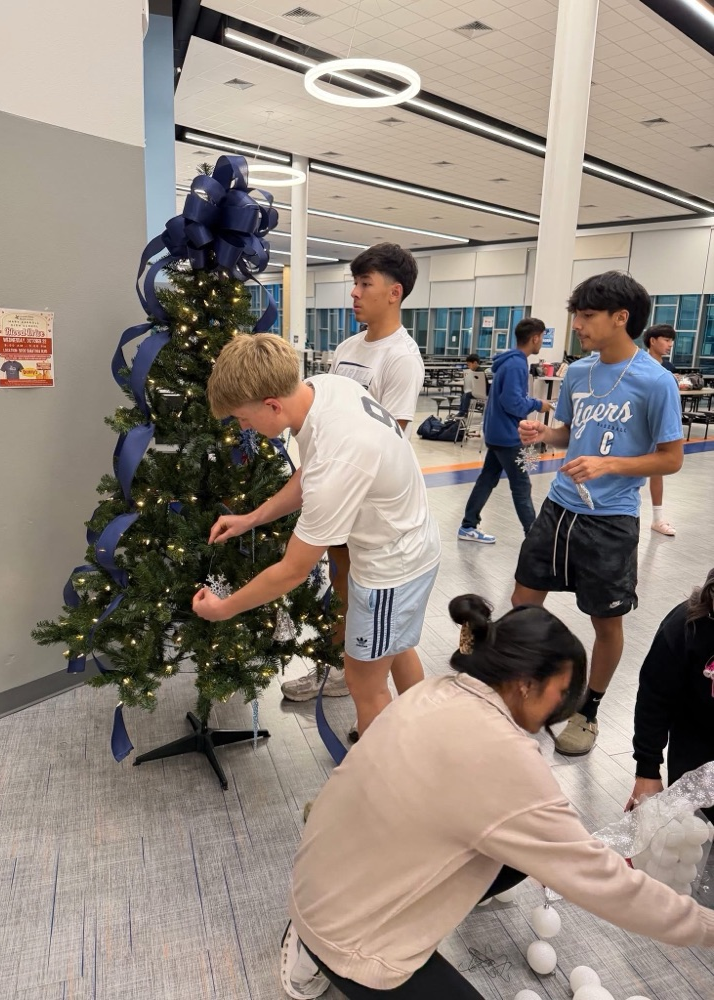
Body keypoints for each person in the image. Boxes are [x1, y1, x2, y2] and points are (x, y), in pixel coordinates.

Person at [280, 595, 714, 1000]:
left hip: (316, 882)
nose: (560, 709)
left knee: (523, 859)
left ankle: (318, 936)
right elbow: (606, 885)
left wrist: (561, 848)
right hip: (348, 935)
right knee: (541, 860)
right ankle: (324, 951)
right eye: (561, 694)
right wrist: (705, 924)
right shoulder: (502, 757)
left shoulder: (436, 690)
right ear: (526, 683)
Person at [193, 333, 440, 745]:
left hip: (392, 567)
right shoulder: (324, 389)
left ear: (272, 404)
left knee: (365, 685)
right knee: (394, 649)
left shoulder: (339, 455)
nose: (243, 427)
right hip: (410, 542)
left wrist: (224, 609)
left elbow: (291, 571)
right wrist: (251, 518)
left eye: (243, 418)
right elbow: (307, 476)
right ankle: (425, 744)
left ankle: (380, 788)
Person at [514, 272, 684, 758]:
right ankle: (526, 683)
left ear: (621, 318)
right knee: (524, 600)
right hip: (560, 507)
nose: (578, 326)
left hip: (611, 519)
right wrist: (545, 436)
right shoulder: (579, 372)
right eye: (577, 316)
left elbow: (670, 458)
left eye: (587, 316)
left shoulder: (656, 382)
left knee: (605, 621)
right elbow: (571, 433)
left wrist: (610, 464)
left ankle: (588, 709)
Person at [281, 243, 423, 705]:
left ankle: (404, 710)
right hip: (339, 499)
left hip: (371, 510)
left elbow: (388, 441)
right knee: (345, 594)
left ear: (394, 293)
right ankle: (340, 669)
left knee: (381, 615)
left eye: (366, 285)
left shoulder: (401, 357)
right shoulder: (347, 347)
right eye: (355, 283)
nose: (354, 294)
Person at [626, 568, 714, 823]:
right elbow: (654, 699)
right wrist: (647, 771)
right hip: (698, 742)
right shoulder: (685, 626)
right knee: (695, 826)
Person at [458, 318, 551, 543]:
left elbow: (511, 398)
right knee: (521, 484)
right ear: (535, 337)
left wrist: (529, 401)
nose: (542, 342)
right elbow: (512, 403)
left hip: (497, 432)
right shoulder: (517, 364)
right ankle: (534, 537)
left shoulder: (510, 361)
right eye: (542, 337)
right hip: (509, 436)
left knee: (487, 478)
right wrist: (538, 404)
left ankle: (468, 525)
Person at [643, 323, 679, 536]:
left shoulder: (668, 369)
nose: (669, 345)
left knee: (657, 468)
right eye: (666, 340)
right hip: (638, 421)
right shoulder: (639, 364)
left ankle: (657, 518)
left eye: (671, 341)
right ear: (653, 340)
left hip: (657, 422)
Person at [455, 353, 482, 418]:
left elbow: (479, 384)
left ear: (475, 363)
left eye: (469, 365)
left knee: (467, 394)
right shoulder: (475, 371)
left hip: (480, 391)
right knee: (464, 392)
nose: (468, 367)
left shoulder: (479, 372)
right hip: (476, 390)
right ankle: (462, 411)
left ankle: (463, 412)